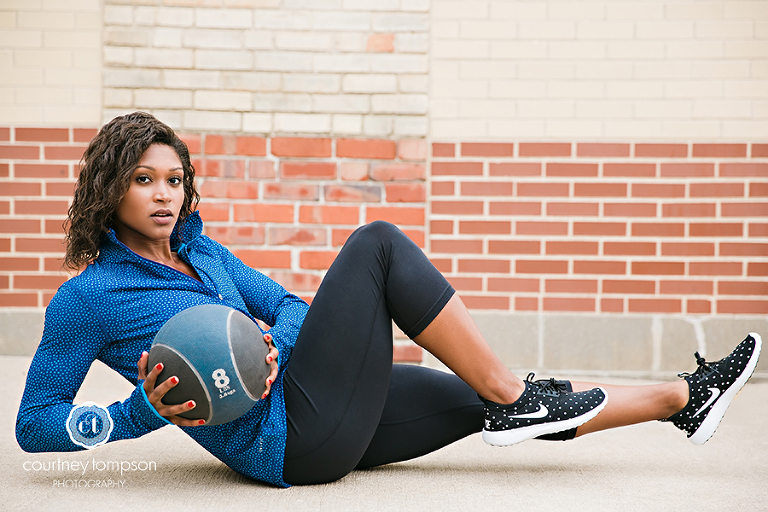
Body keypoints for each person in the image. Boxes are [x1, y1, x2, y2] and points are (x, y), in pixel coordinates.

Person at [16, 112, 762, 487]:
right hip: (284, 445)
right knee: (377, 242)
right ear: (108, 187)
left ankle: (680, 397)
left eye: (173, 179)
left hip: (315, 407)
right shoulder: (87, 298)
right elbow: (34, 423)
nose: (163, 194)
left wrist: (274, 342)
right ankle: (513, 393)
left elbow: (291, 304)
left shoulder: (202, 252)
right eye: (144, 179)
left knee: (491, 406)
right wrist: (134, 413)